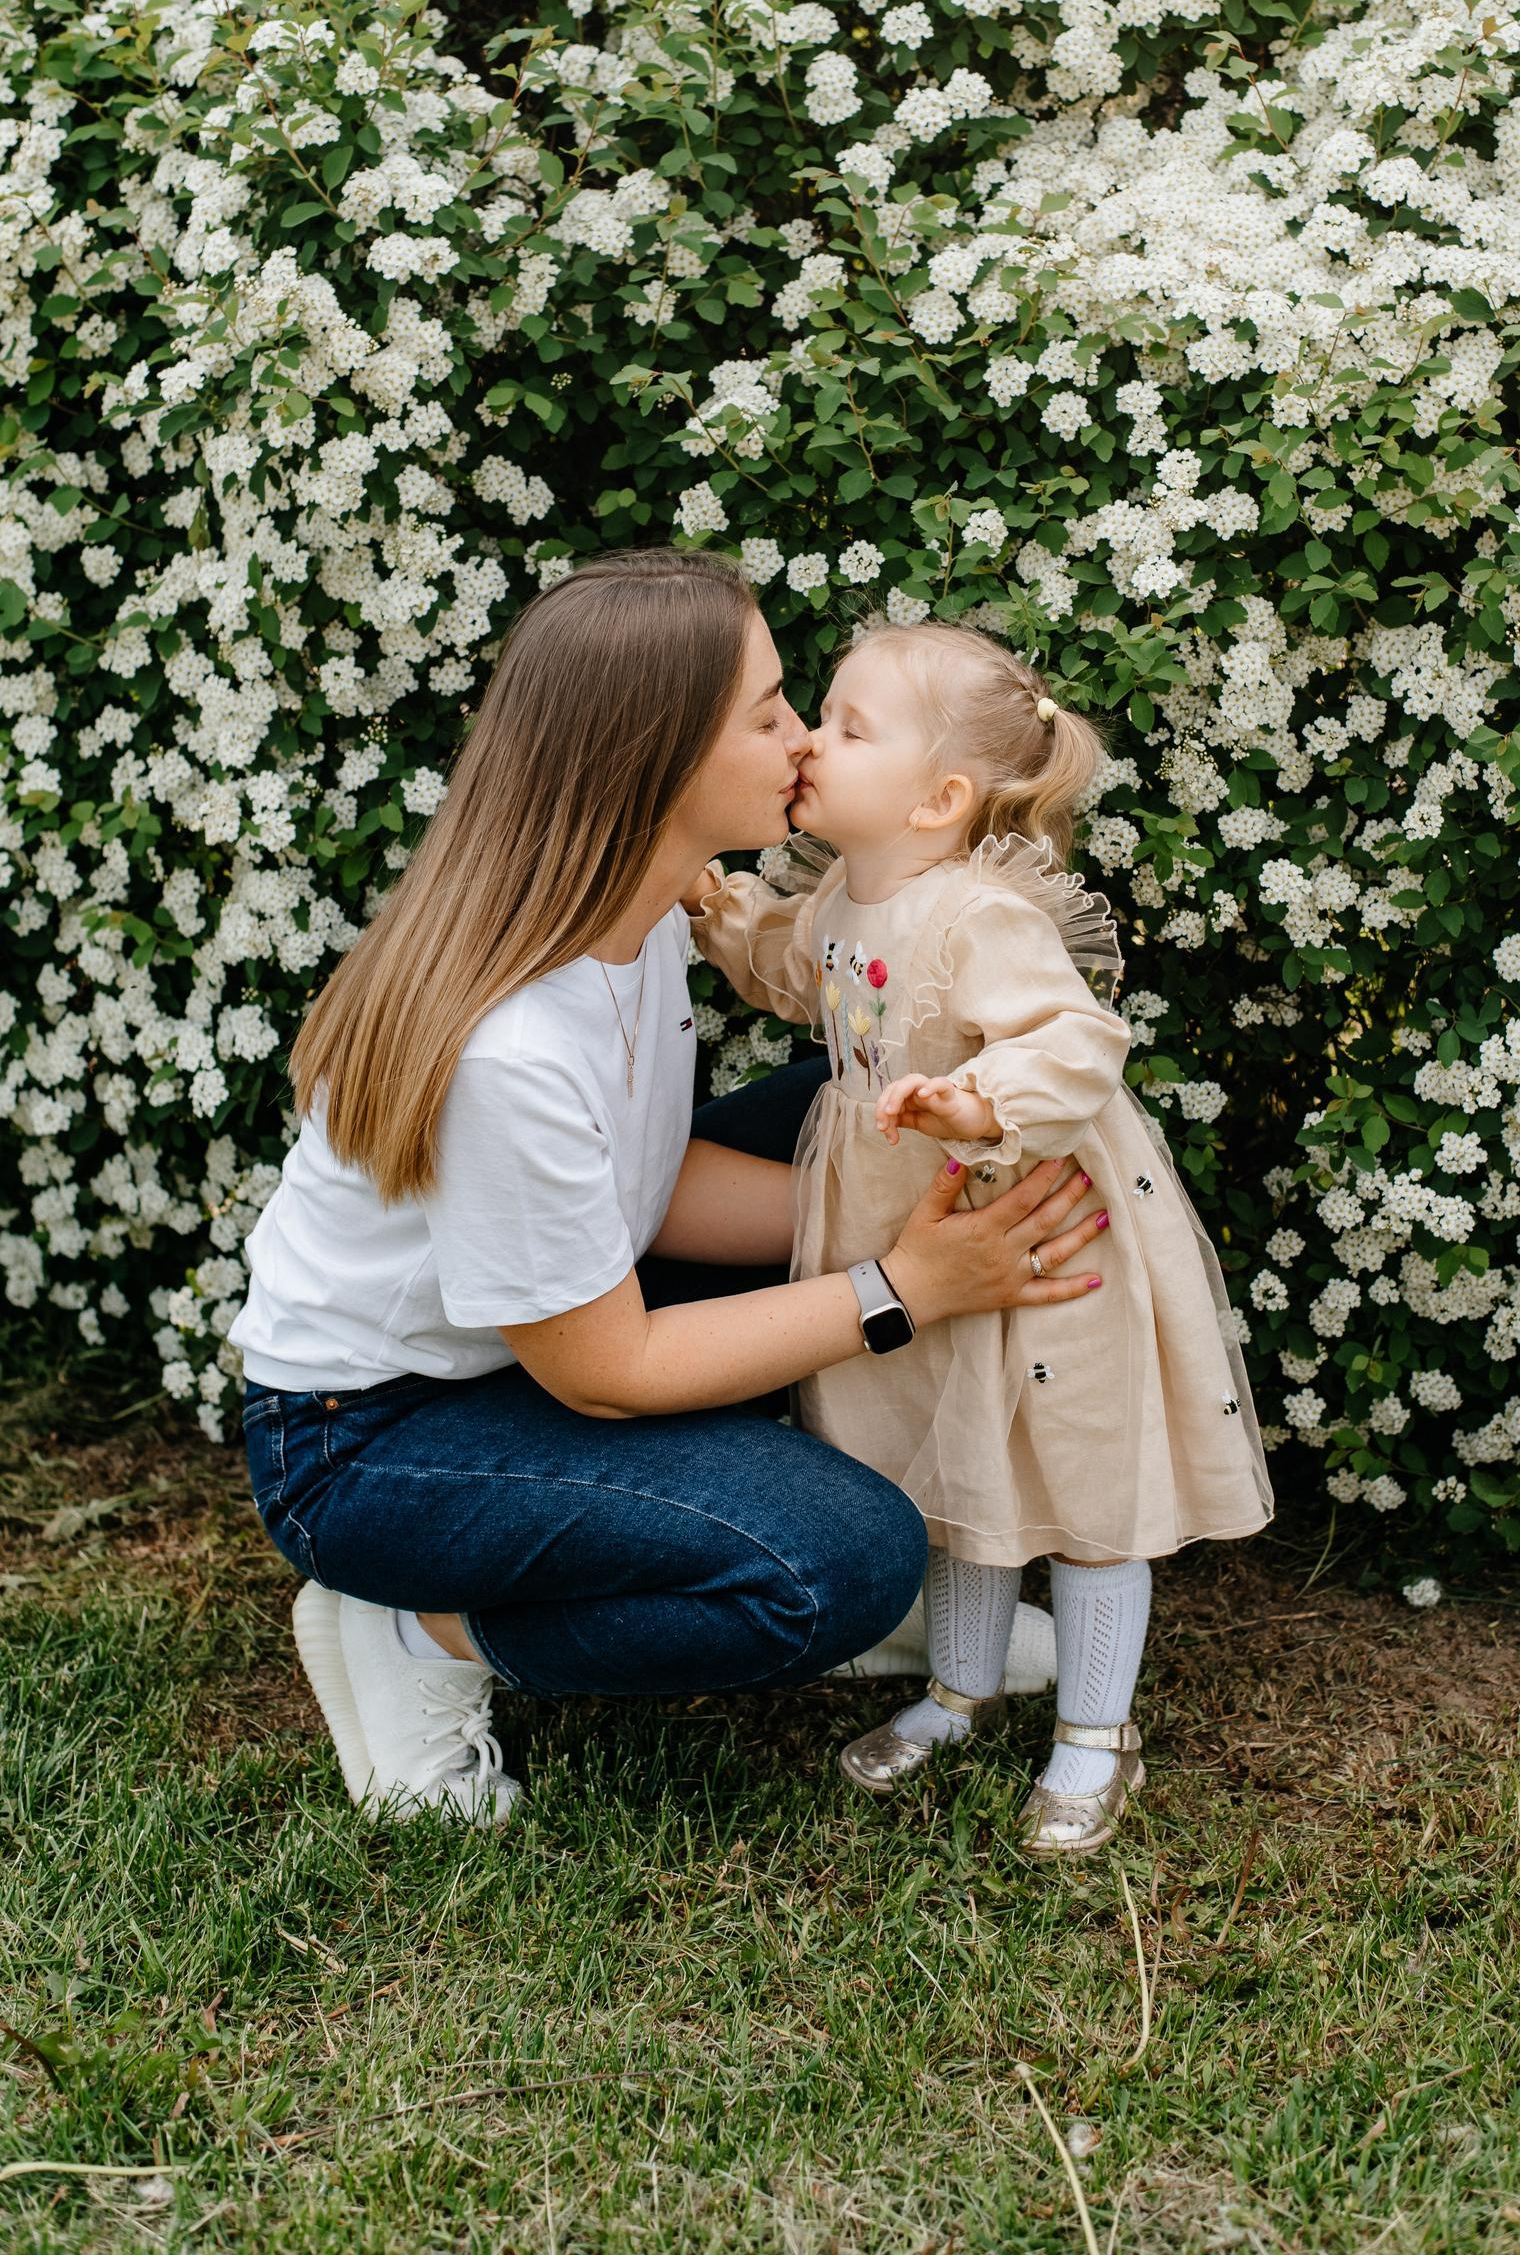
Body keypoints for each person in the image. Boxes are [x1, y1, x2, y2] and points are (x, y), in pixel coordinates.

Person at [229, 554, 1108, 1824]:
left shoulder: (631, 911)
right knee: (836, 1564)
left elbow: (645, 1177)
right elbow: (608, 1369)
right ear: (656, 759)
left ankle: (789, 1509)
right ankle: (420, 1634)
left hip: (535, 1325)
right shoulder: (512, 1044)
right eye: (767, 714)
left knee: (860, 1104)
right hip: (372, 1440)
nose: (803, 738)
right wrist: (898, 1286)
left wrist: (903, 1224)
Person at [689, 618, 1273, 1859]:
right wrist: (719, 911)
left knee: (1074, 1473)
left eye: (849, 728)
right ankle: (959, 1689)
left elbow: (1075, 1040)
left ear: (940, 795)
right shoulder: (848, 891)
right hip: (918, 1229)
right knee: (952, 1467)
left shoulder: (977, 914)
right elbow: (794, 968)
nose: (811, 742)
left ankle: (1096, 1731)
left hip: (1034, 1231)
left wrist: (982, 1100)